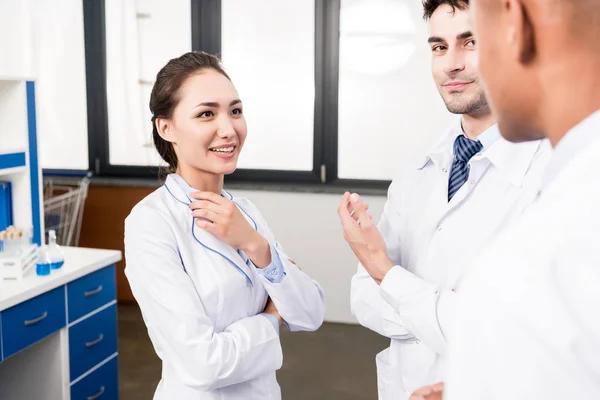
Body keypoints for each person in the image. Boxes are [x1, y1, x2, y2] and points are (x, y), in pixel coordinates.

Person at [341, 1, 552, 399]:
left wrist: (388, 274)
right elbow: (361, 297)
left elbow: (513, 334)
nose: (450, 64)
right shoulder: (417, 170)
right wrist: (443, 309)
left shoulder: (549, 174)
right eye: (438, 47)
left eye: (470, 42)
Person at [124, 51, 326, 400]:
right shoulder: (151, 223)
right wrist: (270, 320)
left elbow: (310, 312)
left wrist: (256, 245)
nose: (228, 129)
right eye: (206, 114)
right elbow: (203, 364)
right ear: (165, 127)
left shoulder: (246, 213)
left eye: (235, 111)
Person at [440, 0, 600, 398]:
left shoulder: (526, 274)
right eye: (438, 47)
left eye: (475, 35)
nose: (453, 65)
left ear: (515, 22)